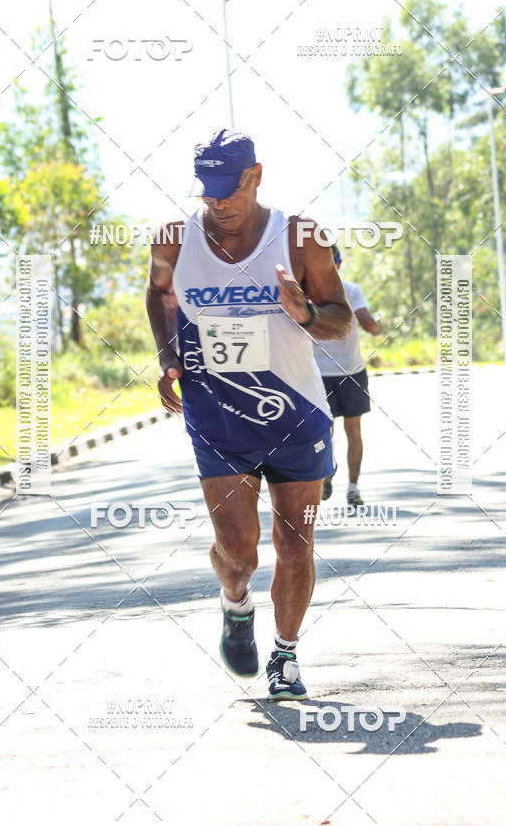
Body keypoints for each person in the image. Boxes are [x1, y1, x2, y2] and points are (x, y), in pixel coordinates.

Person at [146, 128, 351, 700]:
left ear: (255, 176)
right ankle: (236, 603)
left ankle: (285, 656)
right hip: (217, 416)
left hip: (297, 415)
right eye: (207, 191)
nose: (218, 203)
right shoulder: (172, 238)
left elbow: (340, 319)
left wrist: (307, 314)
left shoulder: (301, 237)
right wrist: (168, 356)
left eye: (229, 190)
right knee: (237, 548)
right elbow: (160, 294)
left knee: (296, 544)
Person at [313, 244, 382, 506]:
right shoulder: (351, 290)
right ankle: (353, 488)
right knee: (354, 431)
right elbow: (369, 325)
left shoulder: (307, 293)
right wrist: (378, 326)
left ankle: (327, 473)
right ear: (340, 264)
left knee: (325, 431)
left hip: (318, 373)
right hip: (351, 370)